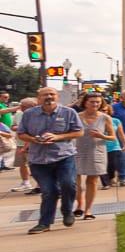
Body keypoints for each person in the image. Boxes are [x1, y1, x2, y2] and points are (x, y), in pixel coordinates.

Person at [19, 84, 83, 232]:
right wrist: (34, 139)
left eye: (52, 94)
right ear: (38, 98)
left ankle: (67, 211)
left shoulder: (69, 112)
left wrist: (58, 137)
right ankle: (44, 223)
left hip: (64, 156)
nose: (48, 97)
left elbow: (79, 132)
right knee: (49, 191)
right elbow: (21, 133)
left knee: (68, 184)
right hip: (39, 160)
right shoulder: (29, 114)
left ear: (57, 97)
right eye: (45, 95)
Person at [76, 93, 119, 219]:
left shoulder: (105, 118)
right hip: (77, 150)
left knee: (92, 180)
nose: (95, 104)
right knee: (75, 181)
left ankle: (88, 210)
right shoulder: (77, 117)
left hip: (96, 150)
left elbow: (113, 137)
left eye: (98, 102)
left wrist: (102, 136)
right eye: (92, 102)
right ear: (85, 103)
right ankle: (79, 205)